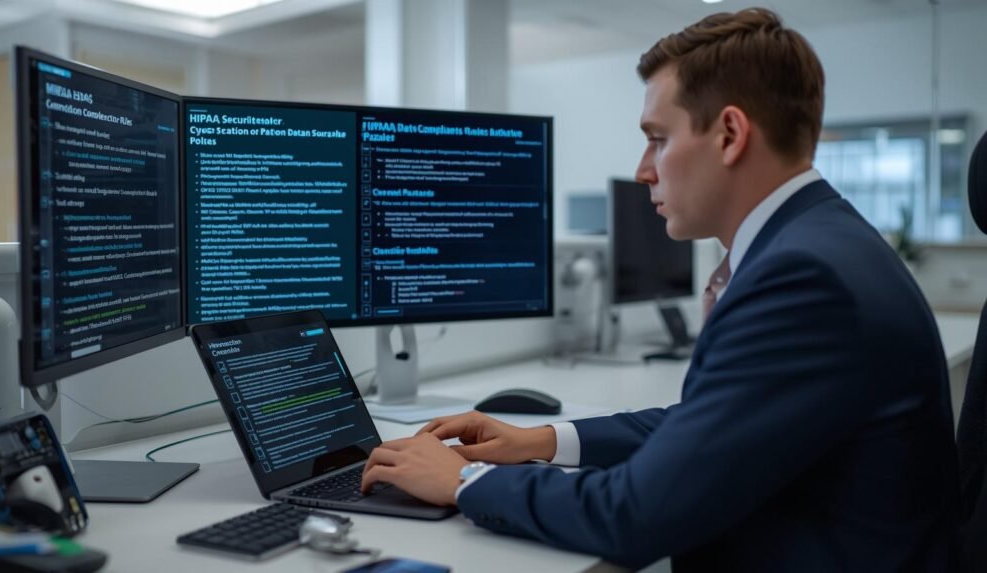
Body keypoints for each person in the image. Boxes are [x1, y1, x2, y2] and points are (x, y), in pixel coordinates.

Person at [361, 7, 959, 571]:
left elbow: (637, 515)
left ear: (729, 133)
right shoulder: (824, 239)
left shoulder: (803, 278)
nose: (644, 168)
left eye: (657, 137)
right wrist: (542, 440)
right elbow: (712, 423)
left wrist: (463, 482)